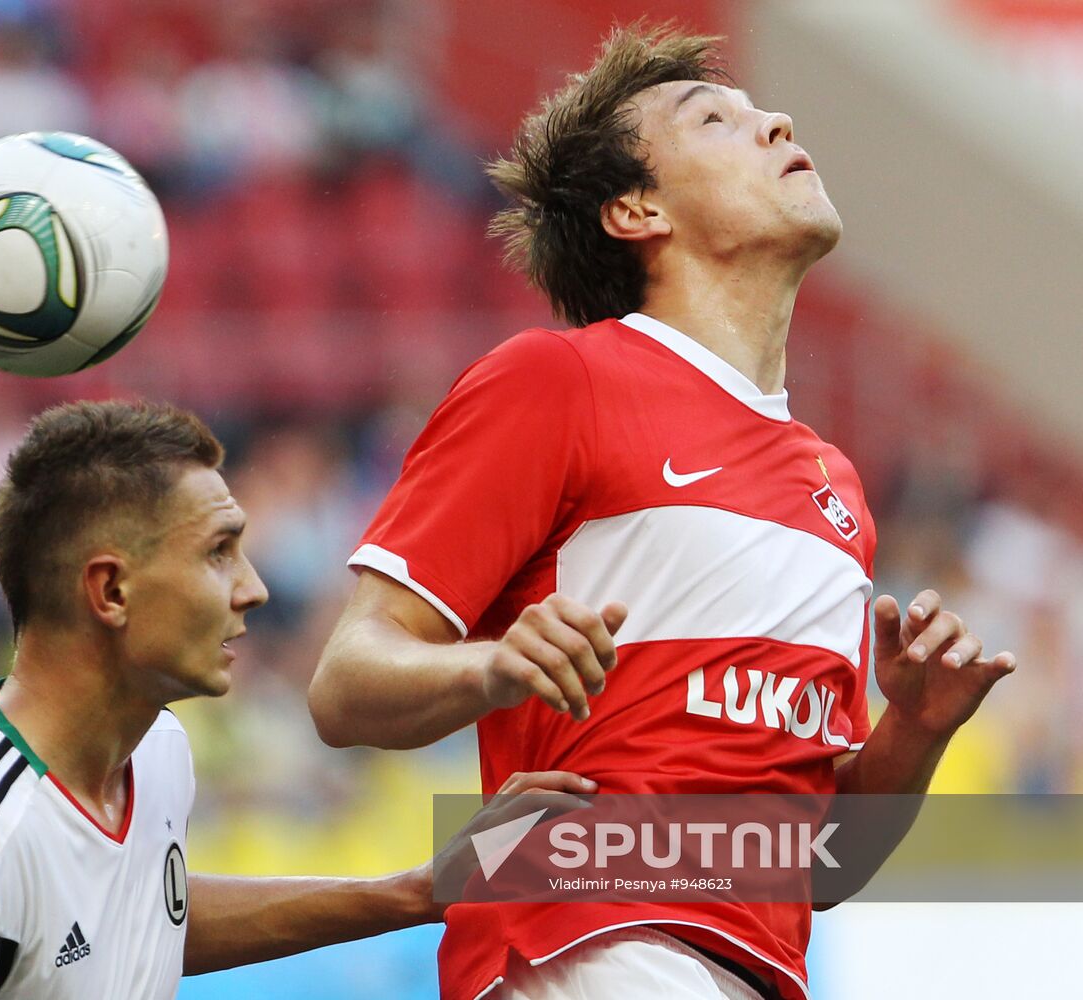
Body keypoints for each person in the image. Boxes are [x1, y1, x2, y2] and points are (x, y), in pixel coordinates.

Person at [308, 22, 1017, 1000]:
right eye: (713, 120)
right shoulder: (556, 381)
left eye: (759, 110)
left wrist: (916, 729)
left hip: (750, 973)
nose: (775, 122)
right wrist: (492, 665)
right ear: (635, 208)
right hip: (580, 938)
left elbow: (815, 866)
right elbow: (345, 686)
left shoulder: (836, 487)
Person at [0, 399, 589, 1000]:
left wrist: (415, 891)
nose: (254, 588)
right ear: (111, 591)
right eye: (219, 553)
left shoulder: (156, 750)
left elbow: (141, 913)